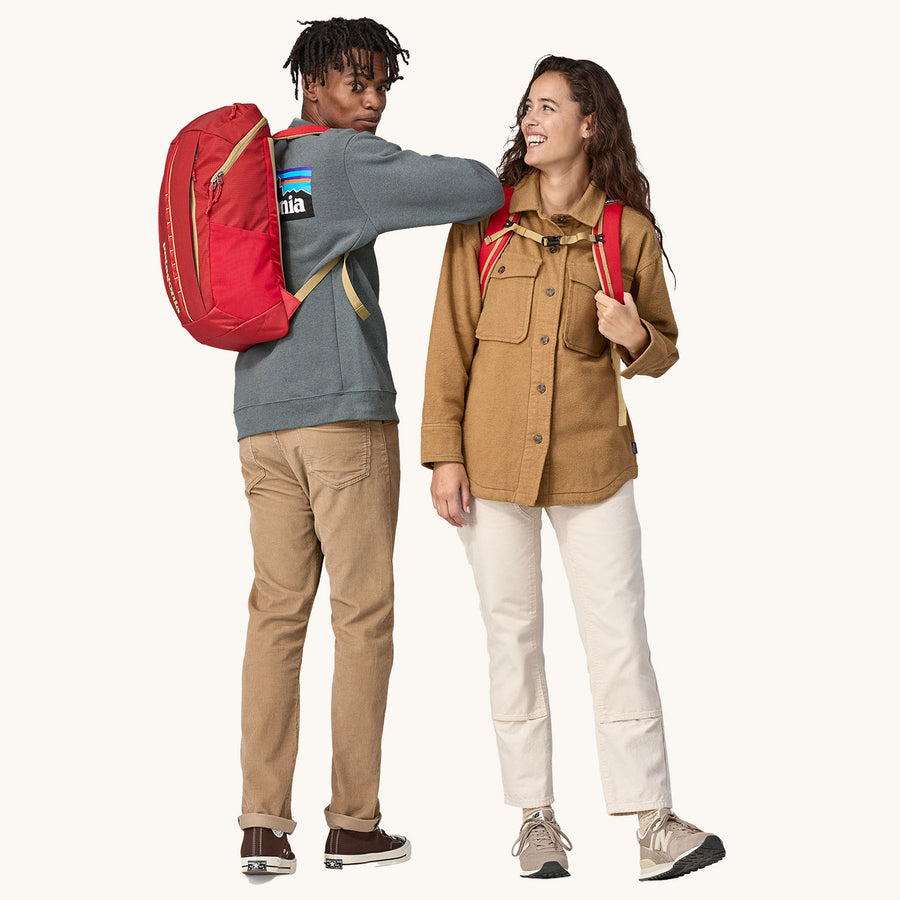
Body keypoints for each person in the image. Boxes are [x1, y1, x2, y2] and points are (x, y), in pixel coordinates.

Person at [421, 55, 724, 881]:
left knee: (618, 636)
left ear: (590, 125)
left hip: (594, 464)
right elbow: (448, 343)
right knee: (511, 638)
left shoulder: (627, 232)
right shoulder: (480, 226)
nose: (530, 118)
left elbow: (661, 347)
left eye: (548, 107)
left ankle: (652, 823)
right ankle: (536, 821)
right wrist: (443, 453)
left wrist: (631, 333)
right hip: (489, 468)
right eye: (527, 106)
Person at [235, 17, 503, 876]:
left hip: (260, 416)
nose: (374, 101)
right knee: (362, 618)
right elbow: (472, 189)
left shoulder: (260, 163)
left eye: (382, 84)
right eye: (357, 82)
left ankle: (262, 827)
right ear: (311, 84)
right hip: (344, 420)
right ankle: (353, 824)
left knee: (277, 618)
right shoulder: (348, 161)